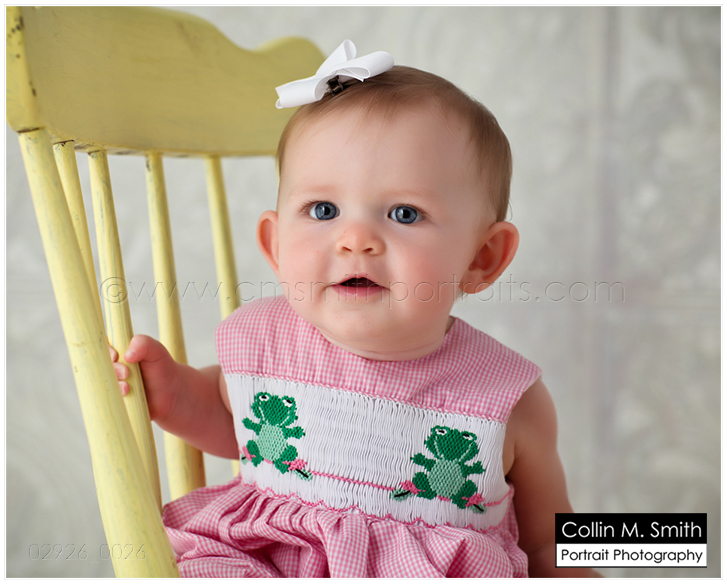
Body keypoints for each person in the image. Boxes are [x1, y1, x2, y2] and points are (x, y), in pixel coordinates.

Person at [112, 41, 597, 577]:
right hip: (266, 559)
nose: (355, 239)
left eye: (405, 213)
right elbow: (233, 421)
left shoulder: (505, 397)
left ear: (482, 257)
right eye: (323, 210)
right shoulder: (265, 344)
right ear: (276, 244)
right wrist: (174, 392)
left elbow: (552, 541)